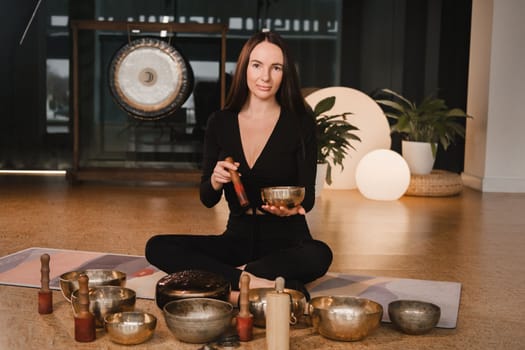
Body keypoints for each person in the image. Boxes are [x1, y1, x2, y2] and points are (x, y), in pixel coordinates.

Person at [145, 30, 332, 303]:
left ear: (285, 73)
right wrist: (216, 180)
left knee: (320, 254)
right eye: (257, 66)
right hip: (236, 239)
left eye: (275, 67)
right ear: (244, 68)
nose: (265, 77)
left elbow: (309, 198)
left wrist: (289, 209)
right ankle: (255, 282)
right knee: (157, 246)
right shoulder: (221, 122)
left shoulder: (299, 122)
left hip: (287, 241)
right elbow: (207, 198)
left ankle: (226, 283)